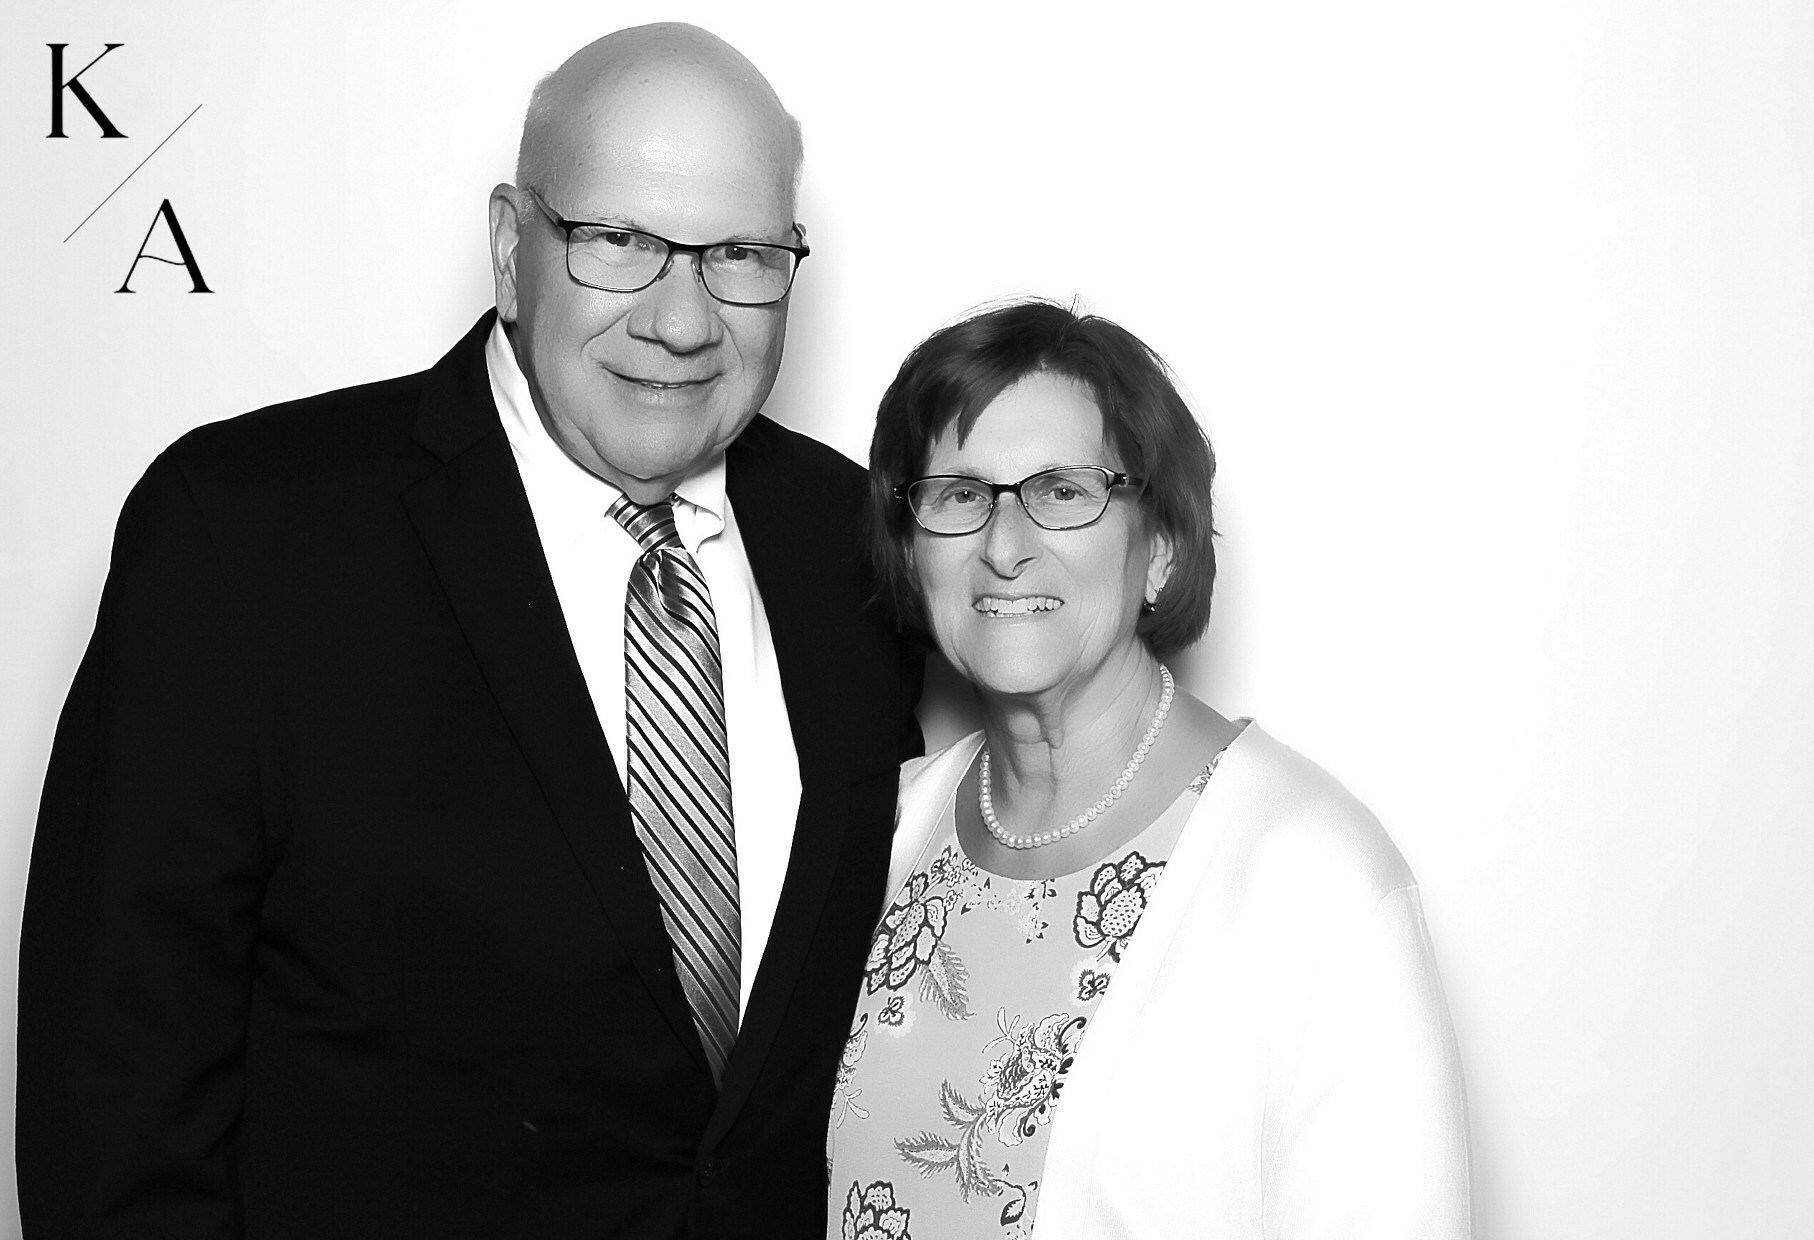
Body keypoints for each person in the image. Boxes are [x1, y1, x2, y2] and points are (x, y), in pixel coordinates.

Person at [17, 24, 921, 1240]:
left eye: (741, 256)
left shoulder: (856, 545)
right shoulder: (243, 533)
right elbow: (114, 1113)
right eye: (618, 241)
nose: (682, 319)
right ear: (509, 249)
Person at [827, 301, 1470, 1239]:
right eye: (961, 495)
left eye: (1063, 491)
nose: (1003, 547)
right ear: (913, 549)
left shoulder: (1313, 878)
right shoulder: (888, 829)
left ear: (1161, 548)